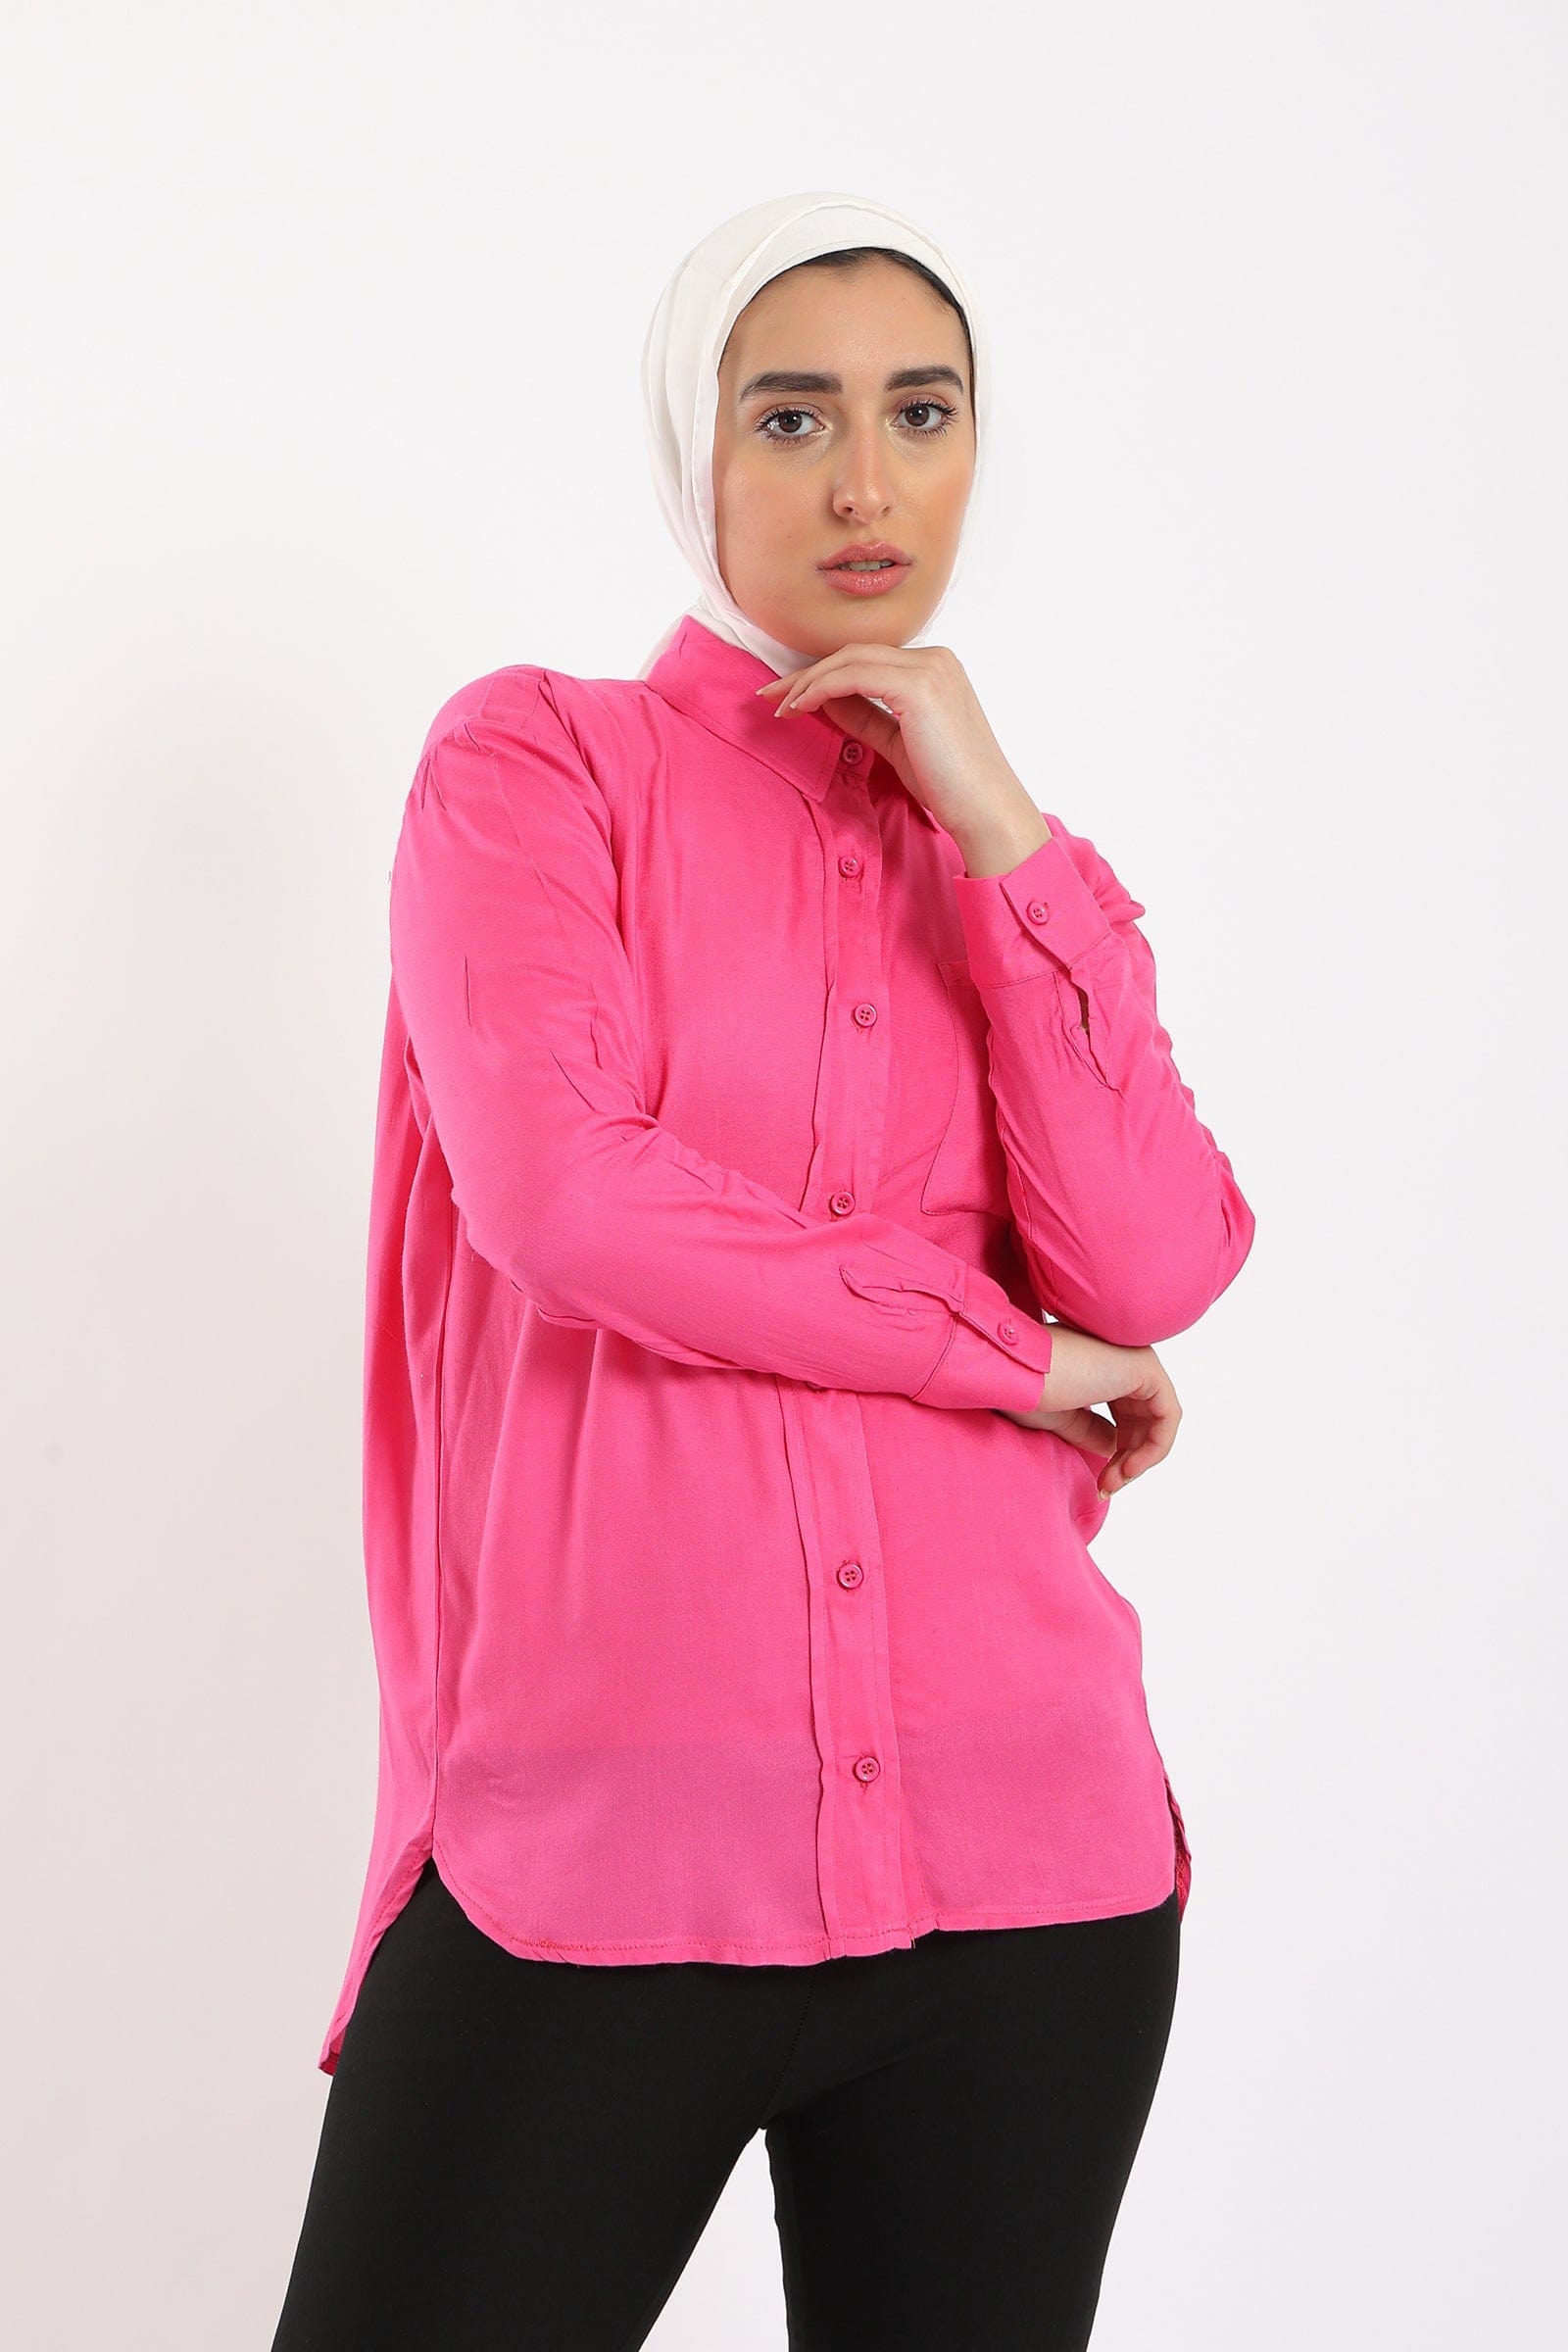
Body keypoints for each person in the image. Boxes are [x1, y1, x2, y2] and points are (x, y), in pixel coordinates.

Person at [270, 189, 1255, 2351]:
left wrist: (1000, 831)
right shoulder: (536, 765)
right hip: (596, 1865)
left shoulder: (990, 863)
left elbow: (1155, 1257)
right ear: (690, 451)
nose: (866, 482)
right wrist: (1003, 1357)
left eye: (923, 414)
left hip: (1031, 1874)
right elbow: (569, 1201)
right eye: (791, 417)